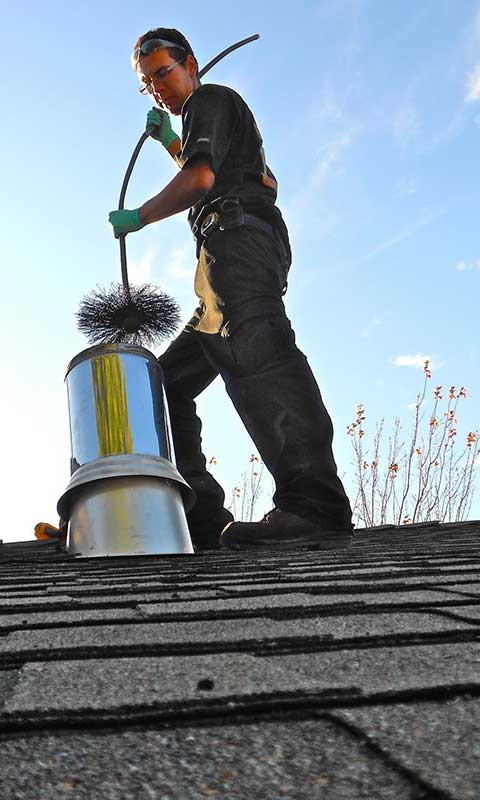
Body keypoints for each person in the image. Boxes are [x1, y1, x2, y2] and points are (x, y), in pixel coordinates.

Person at [108, 27, 353, 551]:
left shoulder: (210, 99)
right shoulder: (208, 116)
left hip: (238, 243)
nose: (158, 88)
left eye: (163, 74)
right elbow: (209, 168)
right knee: (166, 383)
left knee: (258, 353)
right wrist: (170, 140)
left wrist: (141, 217)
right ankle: (199, 515)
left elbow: (201, 181)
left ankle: (315, 505)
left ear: (190, 64)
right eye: (147, 83)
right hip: (224, 254)